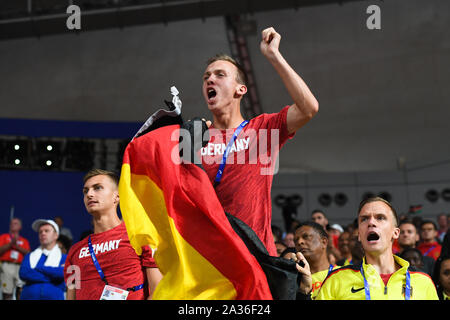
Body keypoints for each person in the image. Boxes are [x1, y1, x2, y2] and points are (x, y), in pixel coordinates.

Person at [200, 26, 319, 257]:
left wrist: (274, 56)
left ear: (240, 89)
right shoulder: (194, 138)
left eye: (219, 75)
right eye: (206, 77)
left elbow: (309, 108)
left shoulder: (262, 130)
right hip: (208, 260)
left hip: (256, 259)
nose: (209, 79)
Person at [64, 169, 162, 300]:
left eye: (97, 188)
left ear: (117, 196)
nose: (89, 194)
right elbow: (71, 296)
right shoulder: (75, 251)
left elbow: (159, 292)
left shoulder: (141, 237)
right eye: (85, 191)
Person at [316, 197, 438, 300]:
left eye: (380, 217)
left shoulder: (423, 281)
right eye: (364, 219)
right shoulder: (336, 280)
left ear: (395, 233)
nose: (371, 223)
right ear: (359, 234)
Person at [19, 219, 66, 300]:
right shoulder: (29, 256)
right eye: (40, 232)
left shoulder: (65, 258)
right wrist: (52, 277)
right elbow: (23, 273)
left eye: (46, 231)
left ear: (56, 235)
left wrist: (39, 269)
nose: (43, 233)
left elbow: (62, 273)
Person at [294, 221, 336, 299]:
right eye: (296, 240)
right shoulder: (294, 280)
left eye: (306, 237)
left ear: (324, 242)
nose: (300, 242)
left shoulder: (343, 273)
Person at [0, 218, 30, 300]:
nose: (13, 225)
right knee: (7, 291)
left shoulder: (24, 241)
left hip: (20, 266)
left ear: (20, 227)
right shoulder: (3, 237)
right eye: (12, 223)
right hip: (7, 266)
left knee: (20, 289)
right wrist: (10, 244)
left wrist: (16, 246)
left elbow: (28, 254)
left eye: (16, 223)